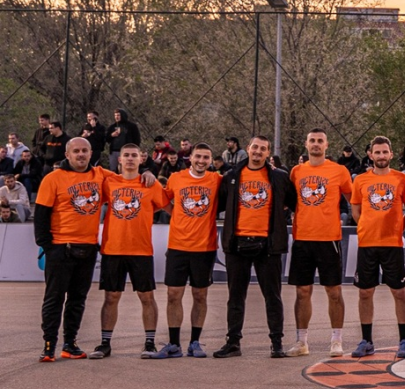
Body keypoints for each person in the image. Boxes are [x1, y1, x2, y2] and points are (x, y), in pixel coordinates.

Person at [215, 135, 295, 359]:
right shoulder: (231, 176)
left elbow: (292, 201)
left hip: (268, 245)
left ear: (268, 153)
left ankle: (276, 343)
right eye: (255, 147)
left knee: (273, 296)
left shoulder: (279, 177)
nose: (258, 151)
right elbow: (220, 204)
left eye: (263, 148)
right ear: (248, 149)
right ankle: (233, 342)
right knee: (235, 296)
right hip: (237, 244)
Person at [89, 143, 168, 359]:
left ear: (141, 159)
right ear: (120, 159)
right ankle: (105, 343)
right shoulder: (109, 182)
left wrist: (152, 174)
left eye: (134, 155)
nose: (130, 158)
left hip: (141, 249)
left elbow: (169, 206)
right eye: (126, 155)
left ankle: (150, 343)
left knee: (146, 296)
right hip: (113, 248)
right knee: (111, 296)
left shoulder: (150, 184)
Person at [284, 129, 354, 358]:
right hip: (303, 239)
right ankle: (301, 341)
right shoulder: (296, 171)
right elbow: (289, 201)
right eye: (312, 140)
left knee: (333, 291)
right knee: (302, 291)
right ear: (306, 144)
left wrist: (362, 221)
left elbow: (354, 199)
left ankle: (336, 340)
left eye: (320, 141)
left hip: (329, 239)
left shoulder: (339, 170)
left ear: (326, 145)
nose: (316, 144)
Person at [34, 137, 105, 362]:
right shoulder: (53, 178)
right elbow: (41, 216)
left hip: (87, 248)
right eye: (76, 151)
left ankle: (70, 343)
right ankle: (49, 345)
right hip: (60, 248)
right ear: (67, 154)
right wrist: (48, 247)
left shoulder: (100, 176)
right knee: (54, 298)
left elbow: (127, 179)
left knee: (78, 299)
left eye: (85, 150)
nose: (81, 155)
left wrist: (149, 174)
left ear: (91, 153)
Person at [348, 136, 405, 358]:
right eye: (377, 152)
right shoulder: (360, 181)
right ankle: (366, 341)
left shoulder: (401, 179)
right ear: (370, 154)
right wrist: (367, 226)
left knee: (399, 292)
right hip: (367, 243)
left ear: (391, 153)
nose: (381, 156)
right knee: (366, 292)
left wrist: (399, 227)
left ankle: (404, 341)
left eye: (385, 152)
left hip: (392, 244)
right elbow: (356, 211)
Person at [157, 144, 221, 359]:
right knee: (173, 295)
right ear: (190, 158)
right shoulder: (176, 178)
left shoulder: (216, 180)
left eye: (206, 157)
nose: (201, 160)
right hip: (177, 246)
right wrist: (173, 212)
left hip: (204, 247)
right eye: (198, 157)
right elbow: (163, 200)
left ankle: (195, 342)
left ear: (210, 160)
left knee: (200, 295)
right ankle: (174, 344)